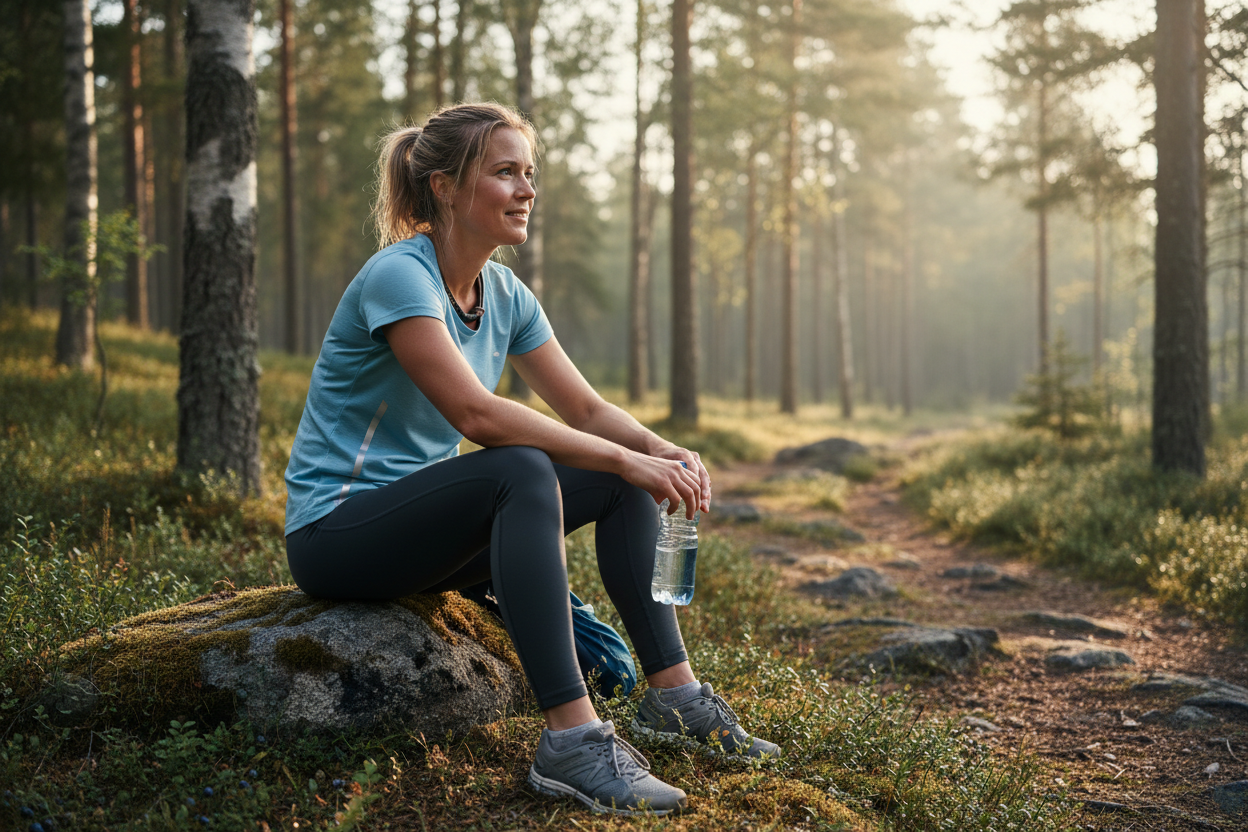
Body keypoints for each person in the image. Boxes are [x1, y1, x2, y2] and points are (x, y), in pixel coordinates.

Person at [283, 102, 779, 817]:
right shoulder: (399, 277)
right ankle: (571, 744)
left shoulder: (506, 294)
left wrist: (656, 451)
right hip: (337, 536)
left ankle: (675, 698)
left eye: (529, 174)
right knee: (519, 469)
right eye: (504, 173)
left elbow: (586, 410)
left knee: (615, 480)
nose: (526, 190)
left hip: (422, 537)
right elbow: (476, 415)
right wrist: (623, 457)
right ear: (445, 187)